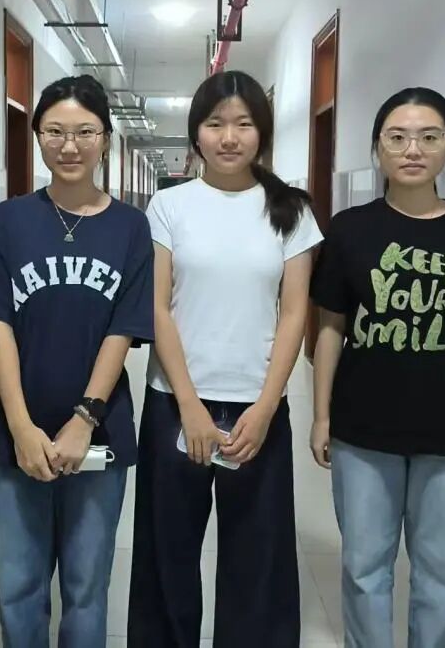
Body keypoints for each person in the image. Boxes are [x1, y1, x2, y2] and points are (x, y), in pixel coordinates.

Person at [127, 70, 322, 648]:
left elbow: (294, 314)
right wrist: (189, 406)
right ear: (197, 133)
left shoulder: (291, 210)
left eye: (244, 124)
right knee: (167, 552)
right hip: (174, 404)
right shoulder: (169, 205)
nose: (229, 137)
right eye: (215, 124)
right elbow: (158, 307)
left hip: (257, 408)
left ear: (262, 132)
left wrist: (265, 408)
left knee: (258, 557)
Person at [0, 74, 153, 648]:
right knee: (19, 588)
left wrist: (84, 418)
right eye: (54, 131)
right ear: (37, 137)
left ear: (105, 140)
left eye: (84, 132)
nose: (69, 145)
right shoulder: (8, 221)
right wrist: (21, 427)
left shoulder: (130, 226)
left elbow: (123, 329)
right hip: (12, 436)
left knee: (86, 587)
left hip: (98, 433)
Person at [309, 87, 445, 648]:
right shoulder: (349, 229)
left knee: (441, 574)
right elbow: (330, 328)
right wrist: (321, 417)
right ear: (378, 148)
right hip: (363, 429)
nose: (412, 149)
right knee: (365, 568)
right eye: (397, 137)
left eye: (428, 137)